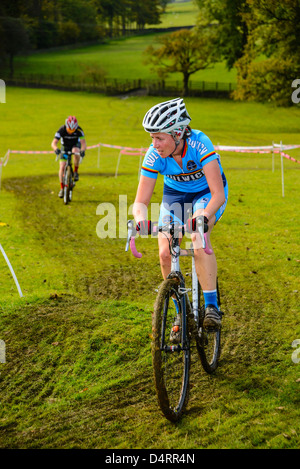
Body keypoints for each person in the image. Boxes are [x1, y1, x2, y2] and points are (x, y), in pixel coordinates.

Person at [132, 98, 228, 334]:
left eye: (159, 138)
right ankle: (180, 310)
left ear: (178, 134)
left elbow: (218, 195)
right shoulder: (154, 156)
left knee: (197, 237)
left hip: (207, 194)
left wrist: (204, 215)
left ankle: (212, 308)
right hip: (175, 197)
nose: (154, 144)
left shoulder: (200, 144)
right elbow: (140, 201)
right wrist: (140, 219)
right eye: (152, 138)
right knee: (165, 252)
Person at [51, 116, 86, 198]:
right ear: (66, 126)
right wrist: (56, 149)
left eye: (72, 130)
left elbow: (83, 143)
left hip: (75, 145)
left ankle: (76, 171)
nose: (71, 132)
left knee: (76, 152)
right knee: (62, 166)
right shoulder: (61, 130)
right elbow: (53, 143)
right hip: (65, 147)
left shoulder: (79, 130)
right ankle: (62, 188)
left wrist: (83, 150)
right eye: (69, 130)